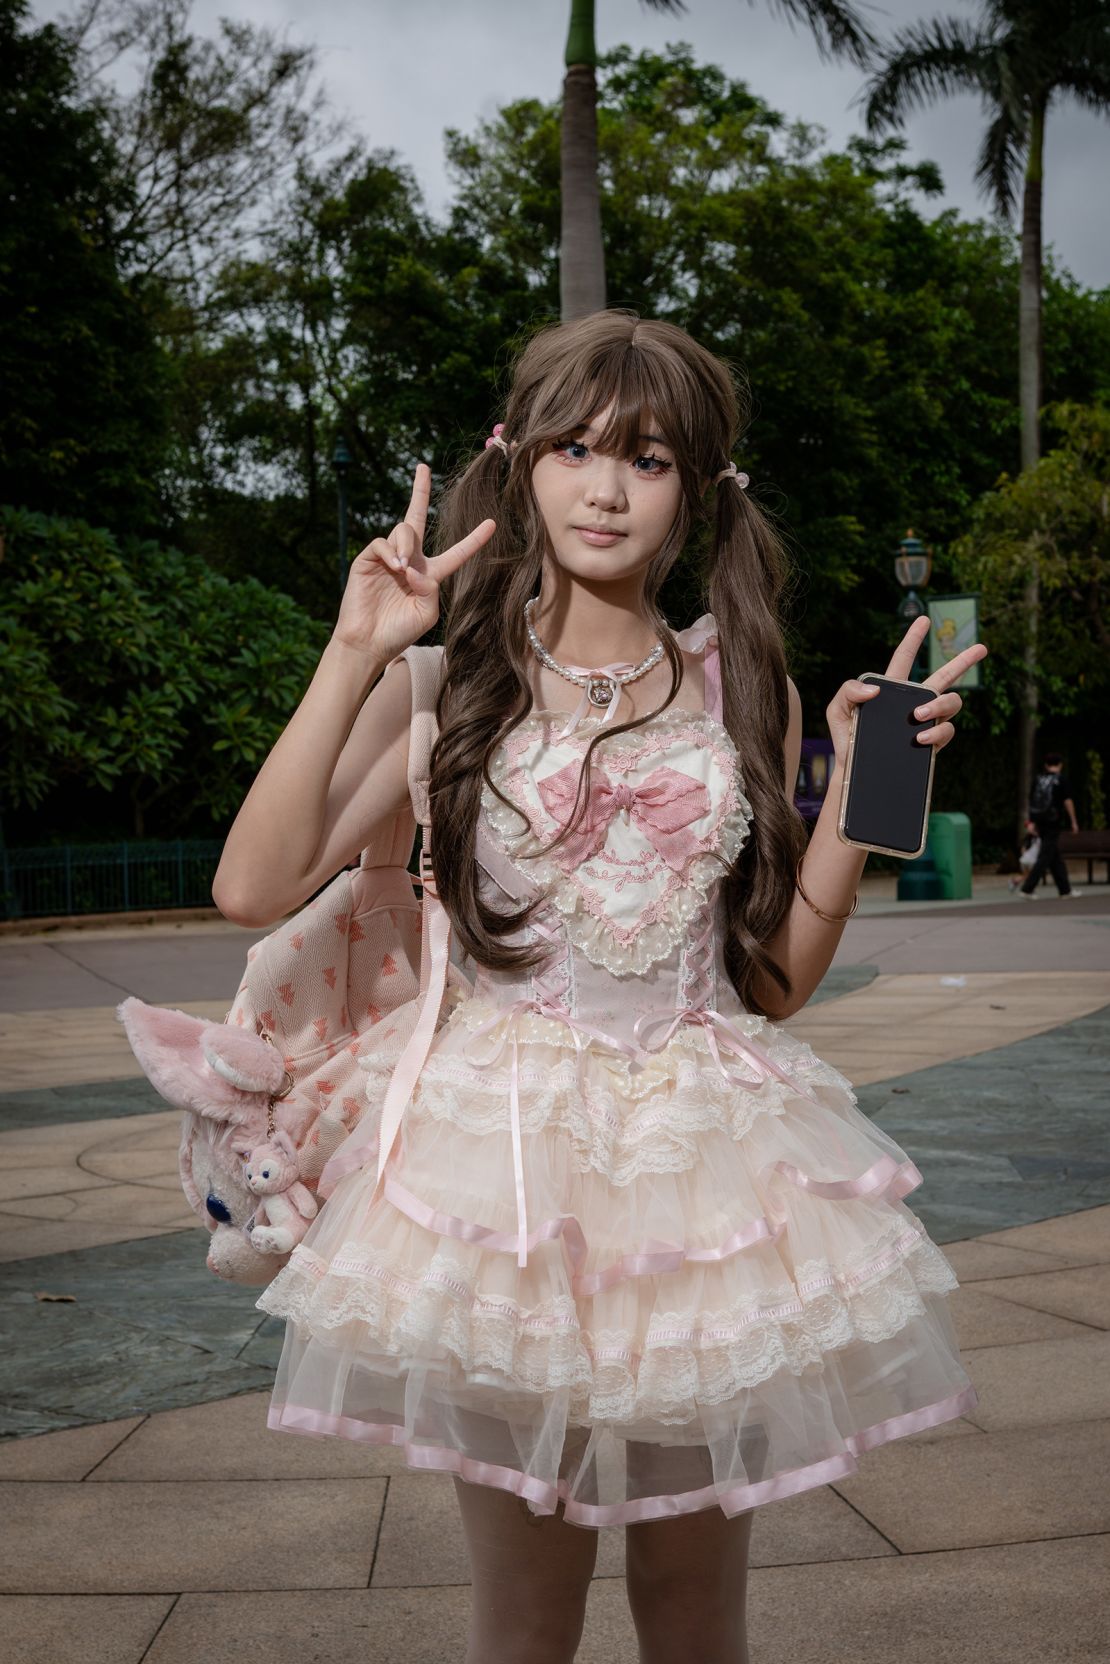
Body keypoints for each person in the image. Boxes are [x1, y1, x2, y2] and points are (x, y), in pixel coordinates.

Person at [213, 311, 988, 1664]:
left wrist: (864, 798)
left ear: (696, 487)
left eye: (644, 455)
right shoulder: (446, 684)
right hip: (498, 1182)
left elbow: (775, 983)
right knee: (524, 1622)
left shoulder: (740, 682)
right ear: (522, 469)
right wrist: (356, 653)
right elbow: (249, 885)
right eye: (573, 447)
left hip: (706, 1181)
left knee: (697, 1618)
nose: (604, 485)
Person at [1018, 752, 1079, 899]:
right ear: (1060, 765)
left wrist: (1031, 822)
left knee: (1054, 856)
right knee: (1045, 857)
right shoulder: (1061, 780)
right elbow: (1067, 801)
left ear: (1046, 765)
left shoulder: (1038, 779)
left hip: (1040, 822)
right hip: (1054, 822)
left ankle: (1065, 890)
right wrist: (1073, 821)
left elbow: (1032, 801)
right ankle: (1027, 888)